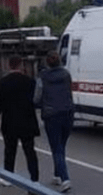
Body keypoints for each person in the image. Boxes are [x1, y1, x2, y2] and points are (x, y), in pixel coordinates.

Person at [0, 55, 39, 187]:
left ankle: (8, 176)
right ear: (21, 65)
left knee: (10, 150)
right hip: (27, 121)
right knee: (30, 151)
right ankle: (34, 178)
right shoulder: (30, 81)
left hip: (10, 122)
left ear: (9, 65)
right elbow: (35, 100)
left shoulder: (2, 82)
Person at [34, 50, 74, 193]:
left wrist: (36, 105)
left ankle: (65, 179)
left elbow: (37, 96)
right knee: (61, 145)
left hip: (51, 114)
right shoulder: (66, 74)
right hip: (68, 112)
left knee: (56, 147)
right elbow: (69, 91)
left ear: (47, 62)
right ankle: (57, 174)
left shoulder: (43, 76)